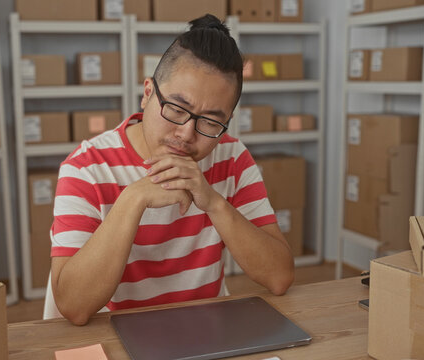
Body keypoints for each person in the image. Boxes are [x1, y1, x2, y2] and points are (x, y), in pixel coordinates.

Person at [50, 14, 294, 326]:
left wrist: (213, 201)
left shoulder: (231, 155)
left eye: (210, 121)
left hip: (208, 330)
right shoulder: (85, 168)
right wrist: (133, 199)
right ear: (148, 93)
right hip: (118, 333)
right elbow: (74, 306)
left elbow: (279, 277)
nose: (186, 133)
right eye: (177, 109)